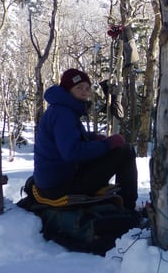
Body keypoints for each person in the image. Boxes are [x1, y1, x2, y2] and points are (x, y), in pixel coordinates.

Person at [32, 68, 138, 211]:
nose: (84, 92)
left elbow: (67, 137)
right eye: (79, 87)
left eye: (87, 88)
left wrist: (93, 137)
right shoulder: (63, 114)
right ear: (68, 89)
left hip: (52, 182)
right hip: (60, 187)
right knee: (125, 152)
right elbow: (72, 152)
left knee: (112, 153)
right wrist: (107, 144)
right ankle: (128, 207)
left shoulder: (60, 109)